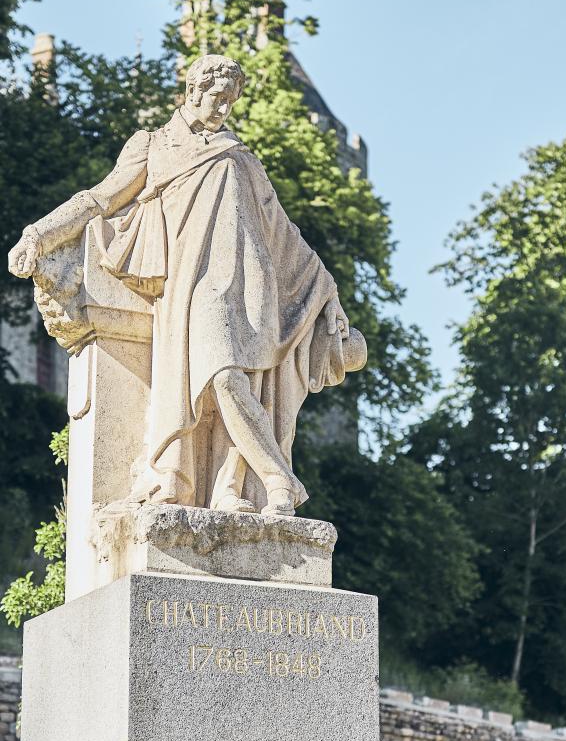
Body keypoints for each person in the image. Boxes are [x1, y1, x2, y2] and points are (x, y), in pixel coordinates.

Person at [8, 54, 360, 516]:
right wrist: (39, 233)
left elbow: (282, 232)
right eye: (217, 98)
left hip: (252, 287)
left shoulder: (240, 158)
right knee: (223, 380)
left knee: (237, 384)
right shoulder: (153, 146)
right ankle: (279, 480)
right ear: (193, 90)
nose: (223, 110)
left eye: (231, 102)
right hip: (192, 284)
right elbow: (100, 196)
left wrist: (328, 290)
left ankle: (233, 489)